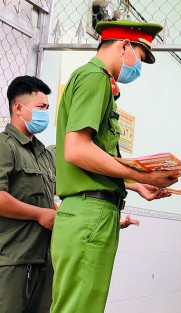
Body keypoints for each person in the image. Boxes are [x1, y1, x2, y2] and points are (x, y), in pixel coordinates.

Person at [50, 20, 181, 313]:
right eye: (140, 57)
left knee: (81, 305)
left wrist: (136, 185)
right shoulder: (95, 77)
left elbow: (94, 157)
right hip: (89, 212)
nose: (139, 68)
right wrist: (141, 174)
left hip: (91, 212)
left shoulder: (97, 82)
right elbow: (77, 150)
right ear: (124, 46)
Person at [0, 75, 56, 312]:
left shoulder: (42, 153)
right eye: (41, 107)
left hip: (43, 261)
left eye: (47, 108)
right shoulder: (5, 146)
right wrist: (39, 215)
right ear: (18, 108)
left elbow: (48, 199)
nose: (46, 114)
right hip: (13, 262)